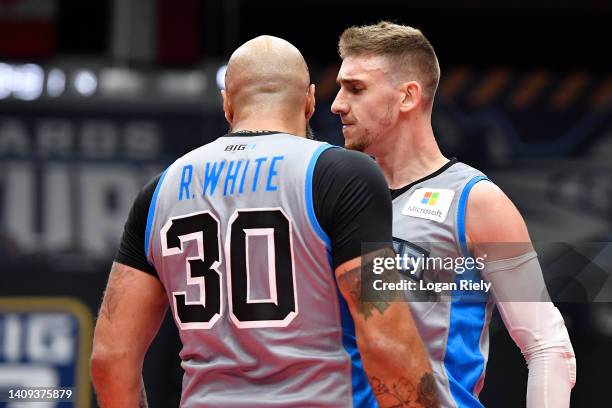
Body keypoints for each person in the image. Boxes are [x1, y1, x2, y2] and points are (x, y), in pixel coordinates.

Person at [90, 35, 437, 408]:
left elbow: (110, 359)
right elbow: (386, 339)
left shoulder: (160, 191)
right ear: (309, 100)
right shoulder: (343, 174)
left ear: (227, 104)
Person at [331, 22, 576, 408]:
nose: (337, 104)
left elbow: (549, 346)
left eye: (355, 88)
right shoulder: (335, 197)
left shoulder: (476, 203)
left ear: (407, 96)